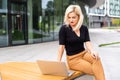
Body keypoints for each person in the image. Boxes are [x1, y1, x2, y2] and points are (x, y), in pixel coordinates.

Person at [57, 5, 106, 80]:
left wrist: (92, 51)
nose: (71, 20)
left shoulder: (84, 28)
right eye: (69, 17)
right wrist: (58, 62)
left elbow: (87, 42)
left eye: (73, 17)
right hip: (73, 59)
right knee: (94, 69)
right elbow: (61, 47)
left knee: (96, 58)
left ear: (79, 17)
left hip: (84, 53)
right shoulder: (64, 29)